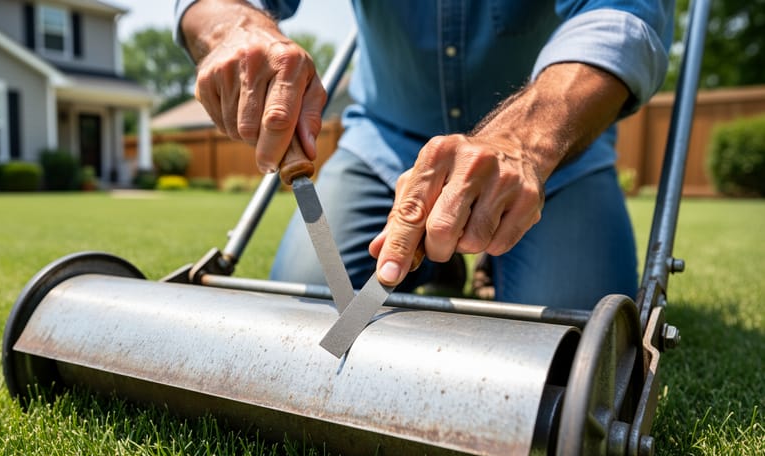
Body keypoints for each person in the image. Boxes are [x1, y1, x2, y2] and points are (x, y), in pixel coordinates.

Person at [175, 0, 674, 310]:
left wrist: (523, 143)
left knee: (570, 338)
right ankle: (441, 260)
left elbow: (623, 14)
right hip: (383, 146)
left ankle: (479, 253)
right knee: (307, 305)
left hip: (549, 151)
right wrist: (233, 27)